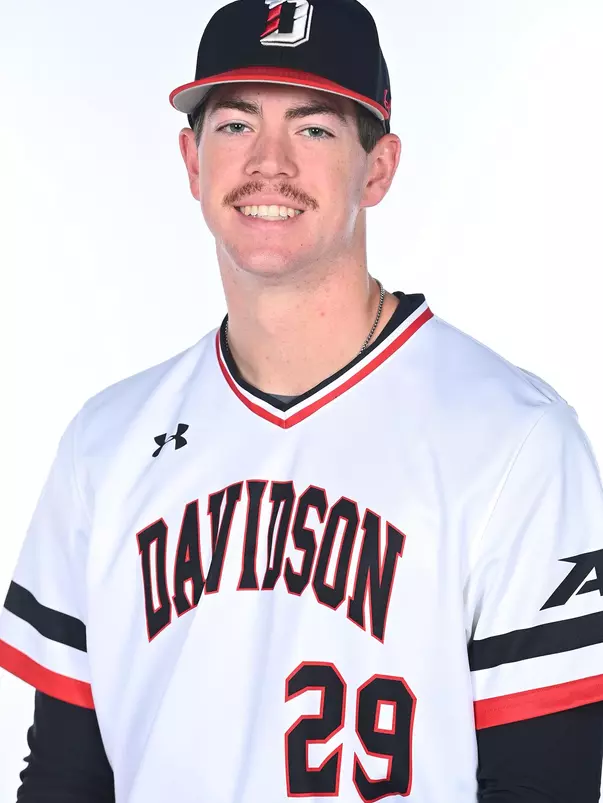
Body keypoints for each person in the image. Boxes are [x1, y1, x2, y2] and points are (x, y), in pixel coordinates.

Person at [1, 0, 603, 801]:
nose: (268, 162)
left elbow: (543, 785)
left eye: (313, 128)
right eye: (235, 124)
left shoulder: (515, 442)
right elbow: (64, 777)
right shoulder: (104, 443)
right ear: (192, 160)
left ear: (377, 168)